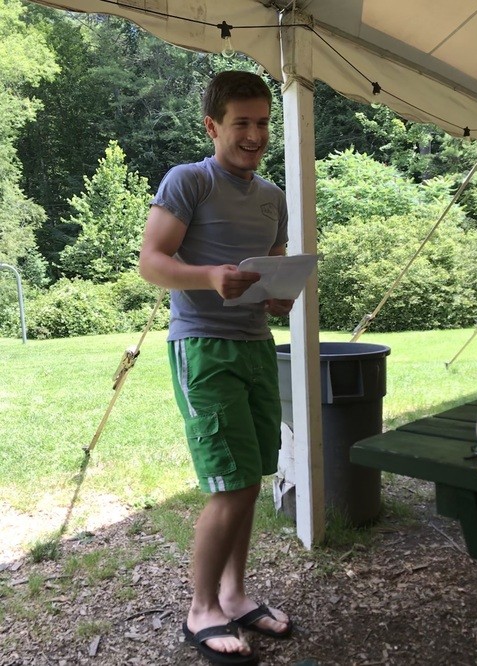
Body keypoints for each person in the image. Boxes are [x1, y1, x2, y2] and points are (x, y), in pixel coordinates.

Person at [139, 70, 293, 665]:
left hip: (256, 345)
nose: (255, 135)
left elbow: (274, 265)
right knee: (230, 483)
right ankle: (201, 609)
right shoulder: (190, 181)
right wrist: (208, 276)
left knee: (249, 477)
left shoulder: (273, 196)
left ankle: (234, 595)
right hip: (203, 347)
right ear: (212, 126)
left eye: (263, 123)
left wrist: (278, 297)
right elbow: (152, 262)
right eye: (241, 123)